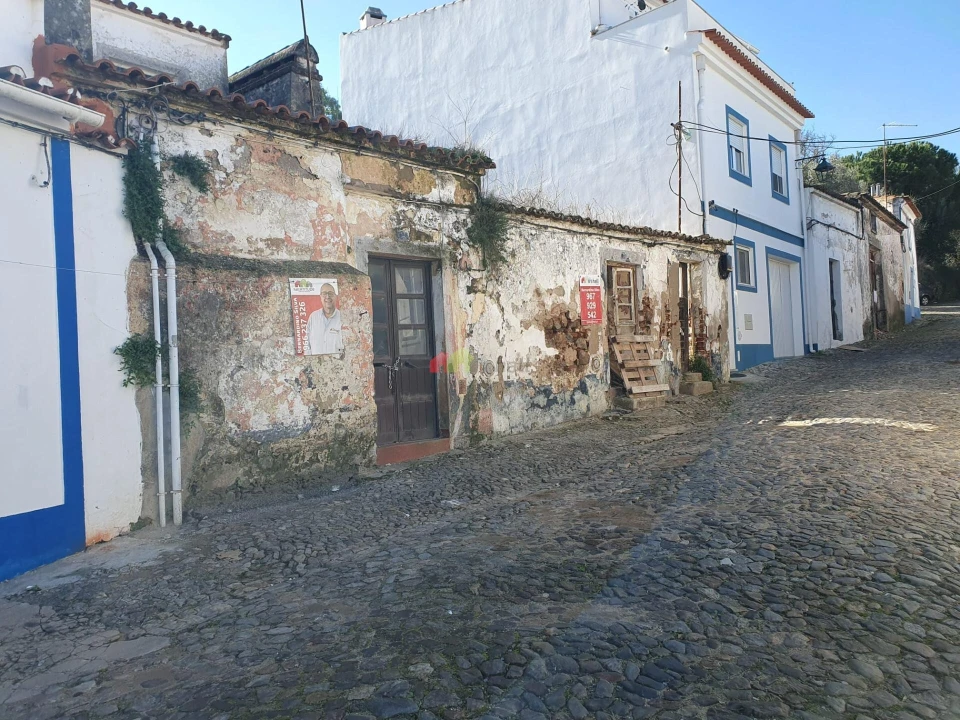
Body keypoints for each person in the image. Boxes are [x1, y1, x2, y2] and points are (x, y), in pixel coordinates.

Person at [306, 283, 344, 354]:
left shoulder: (343, 318)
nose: (327, 296)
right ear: (320, 297)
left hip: (337, 363)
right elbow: (306, 344)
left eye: (330, 293)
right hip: (315, 363)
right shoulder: (313, 317)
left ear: (335, 297)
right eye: (324, 293)